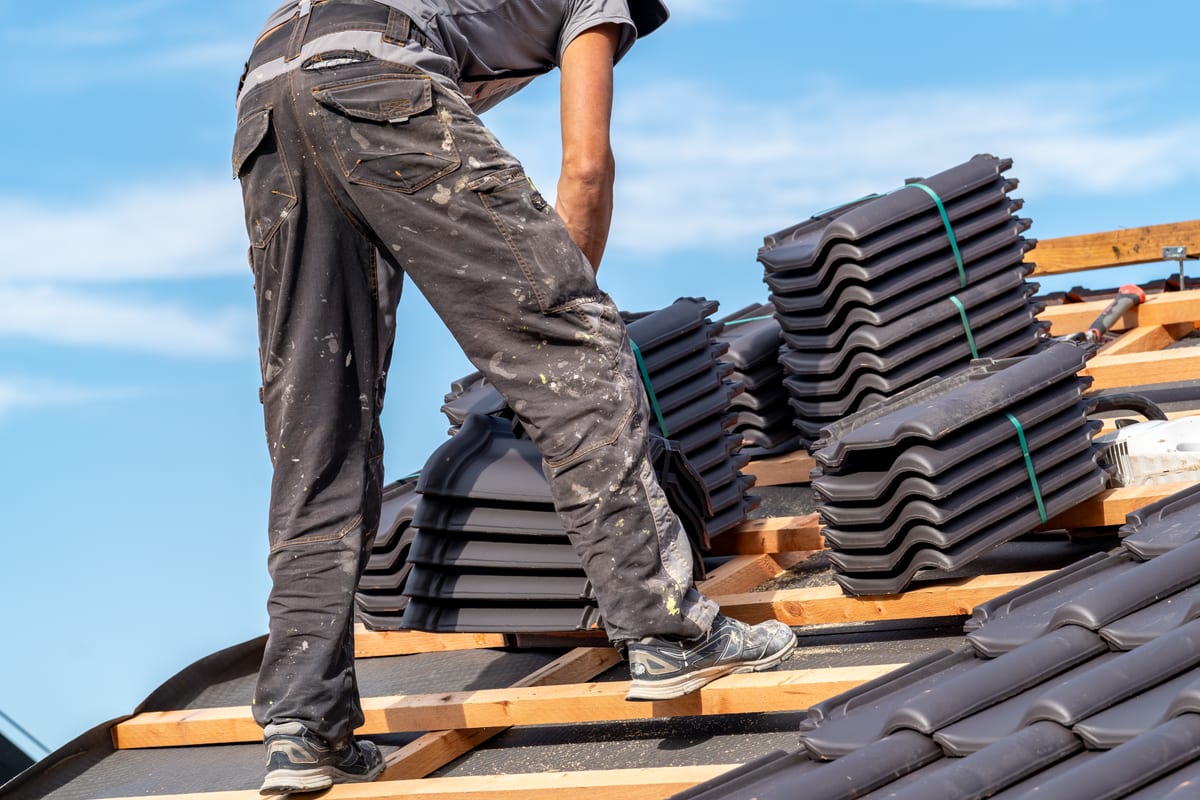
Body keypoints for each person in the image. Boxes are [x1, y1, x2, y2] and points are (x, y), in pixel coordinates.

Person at [232, 0, 797, 793]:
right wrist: (555, 320)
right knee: (577, 353)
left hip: (266, 97)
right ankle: (667, 629)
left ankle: (303, 723)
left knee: (318, 429)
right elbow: (586, 169)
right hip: (373, 77)